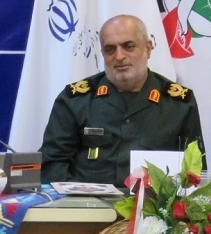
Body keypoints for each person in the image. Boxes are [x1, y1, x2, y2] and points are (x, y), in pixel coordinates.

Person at [39, 14, 202, 186]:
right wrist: (82, 196)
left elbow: (193, 170)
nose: (119, 56)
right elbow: (51, 164)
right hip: (86, 201)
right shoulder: (75, 100)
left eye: (128, 46)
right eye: (110, 49)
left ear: (148, 49)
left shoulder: (179, 104)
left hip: (153, 203)